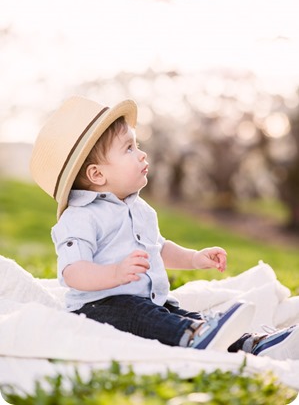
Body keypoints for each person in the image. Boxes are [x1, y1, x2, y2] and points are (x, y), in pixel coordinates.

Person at [30, 95, 299, 358]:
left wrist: (194, 258)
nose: (142, 154)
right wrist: (115, 272)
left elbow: (158, 248)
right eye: (129, 149)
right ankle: (195, 337)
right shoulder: (80, 217)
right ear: (97, 174)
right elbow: (73, 272)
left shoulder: (140, 210)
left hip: (148, 303)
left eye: (136, 146)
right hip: (99, 308)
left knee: (178, 315)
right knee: (144, 314)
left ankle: (250, 344)